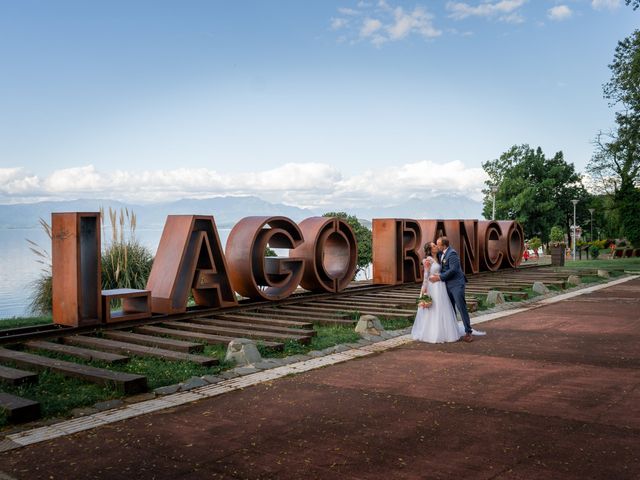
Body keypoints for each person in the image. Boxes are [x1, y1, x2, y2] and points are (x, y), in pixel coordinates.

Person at [411, 242, 460, 343]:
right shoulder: (427, 260)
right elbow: (425, 274)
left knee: (442, 307)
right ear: (429, 249)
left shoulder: (439, 257)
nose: (436, 247)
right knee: (433, 308)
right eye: (433, 246)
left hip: (440, 285)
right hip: (432, 286)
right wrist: (424, 289)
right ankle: (433, 333)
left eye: (435, 245)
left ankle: (445, 332)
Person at [429, 236, 474, 342]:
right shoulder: (440, 253)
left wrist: (439, 277)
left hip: (456, 284)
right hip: (447, 285)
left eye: (438, 244)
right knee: (450, 308)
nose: (436, 246)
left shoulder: (452, 253)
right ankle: (453, 331)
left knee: (461, 307)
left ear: (443, 245)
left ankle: (468, 332)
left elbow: (453, 270)